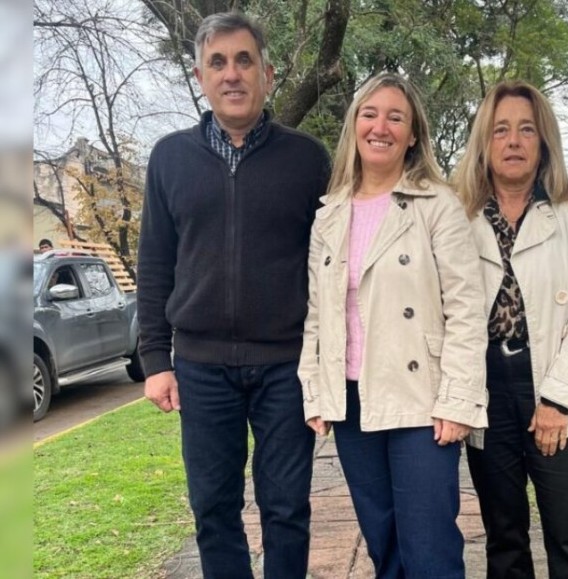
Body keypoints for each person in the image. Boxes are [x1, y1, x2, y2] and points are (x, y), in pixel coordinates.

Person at [136, 12, 330, 579]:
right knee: (213, 508)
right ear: (200, 76)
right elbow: (154, 263)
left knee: (287, 507)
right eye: (217, 62)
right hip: (200, 367)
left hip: (284, 367)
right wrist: (155, 360)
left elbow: (328, 266)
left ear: (267, 73)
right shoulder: (170, 158)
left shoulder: (307, 159)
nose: (232, 74)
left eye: (244, 60)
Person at [298, 73, 488, 579]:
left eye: (395, 117)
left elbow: (467, 309)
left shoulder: (437, 205)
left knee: (429, 548)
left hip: (421, 398)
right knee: (384, 542)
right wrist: (315, 391)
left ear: (412, 135)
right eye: (369, 114)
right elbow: (318, 314)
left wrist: (458, 399)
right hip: (354, 399)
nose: (380, 126)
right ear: (354, 125)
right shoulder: (329, 214)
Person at [453, 80, 568, 578]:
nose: (514, 140)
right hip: (488, 392)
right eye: (501, 130)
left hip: (554, 385)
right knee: (504, 540)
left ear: (543, 140)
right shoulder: (459, 214)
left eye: (526, 129)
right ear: (486, 141)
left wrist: (557, 400)